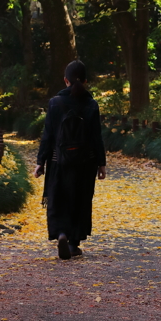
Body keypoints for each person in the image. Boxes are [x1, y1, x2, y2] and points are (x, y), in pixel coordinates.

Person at [34, 59, 106, 260]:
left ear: (65, 80)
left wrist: (41, 162)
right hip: (86, 163)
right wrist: (101, 164)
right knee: (80, 200)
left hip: (59, 161)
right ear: (85, 81)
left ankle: (61, 234)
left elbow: (48, 135)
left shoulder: (55, 103)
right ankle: (74, 244)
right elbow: (96, 137)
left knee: (58, 198)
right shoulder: (91, 104)